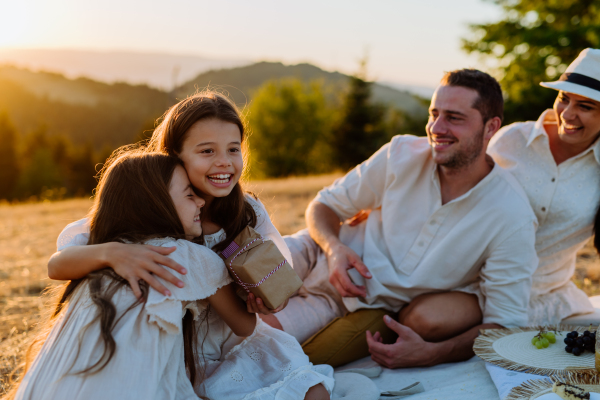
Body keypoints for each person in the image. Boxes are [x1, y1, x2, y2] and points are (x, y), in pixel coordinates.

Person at [262, 69, 539, 369]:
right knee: (230, 285)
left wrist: (433, 354)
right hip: (313, 249)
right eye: (434, 113)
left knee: (255, 335)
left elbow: (505, 325)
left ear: (491, 127)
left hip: (343, 301)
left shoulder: (512, 215)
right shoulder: (401, 153)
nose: (436, 127)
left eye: (454, 117)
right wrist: (333, 248)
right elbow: (324, 205)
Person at [11, 150, 333, 400]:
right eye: (189, 194)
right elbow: (245, 326)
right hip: (139, 380)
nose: (201, 201)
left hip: (55, 381)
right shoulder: (186, 256)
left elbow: (56, 266)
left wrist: (109, 252)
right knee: (309, 386)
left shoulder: (108, 248)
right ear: (157, 204)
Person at [48, 92, 291, 319]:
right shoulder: (151, 205)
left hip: (225, 338)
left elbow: (281, 264)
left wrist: (273, 296)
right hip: (166, 341)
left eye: (233, 149)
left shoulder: (247, 209)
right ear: (175, 154)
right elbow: (57, 265)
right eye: (207, 151)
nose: (224, 162)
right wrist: (112, 253)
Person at [487, 48, 600, 325]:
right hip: (481, 286)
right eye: (564, 99)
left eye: (585, 107)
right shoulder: (511, 140)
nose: (568, 114)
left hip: (550, 297)